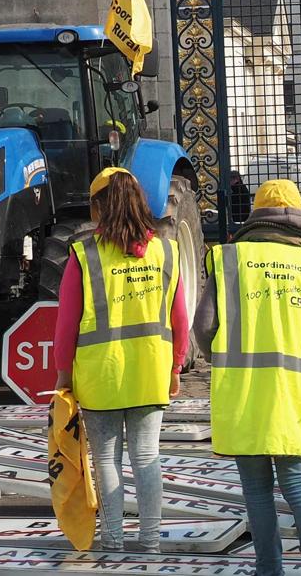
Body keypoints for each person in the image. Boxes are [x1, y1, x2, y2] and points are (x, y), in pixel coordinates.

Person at [194, 179, 301, 576]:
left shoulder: (230, 259)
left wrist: (218, 357)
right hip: (296, 392)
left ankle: (268, 569)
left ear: (256, 216)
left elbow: (203, 326)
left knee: (256, 490)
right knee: (299, 484)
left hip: (242, 391)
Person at [53, 167, 188, 553]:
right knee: (147, 458)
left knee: (106, 460)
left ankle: (113, 541)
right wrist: (176, 366)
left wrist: (64, 374)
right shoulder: (166, 251)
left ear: (99, 207)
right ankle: (150, 542)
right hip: (151, 371)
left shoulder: (85, 255)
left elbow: (67, 323)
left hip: (101, 375)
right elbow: (180, 318)